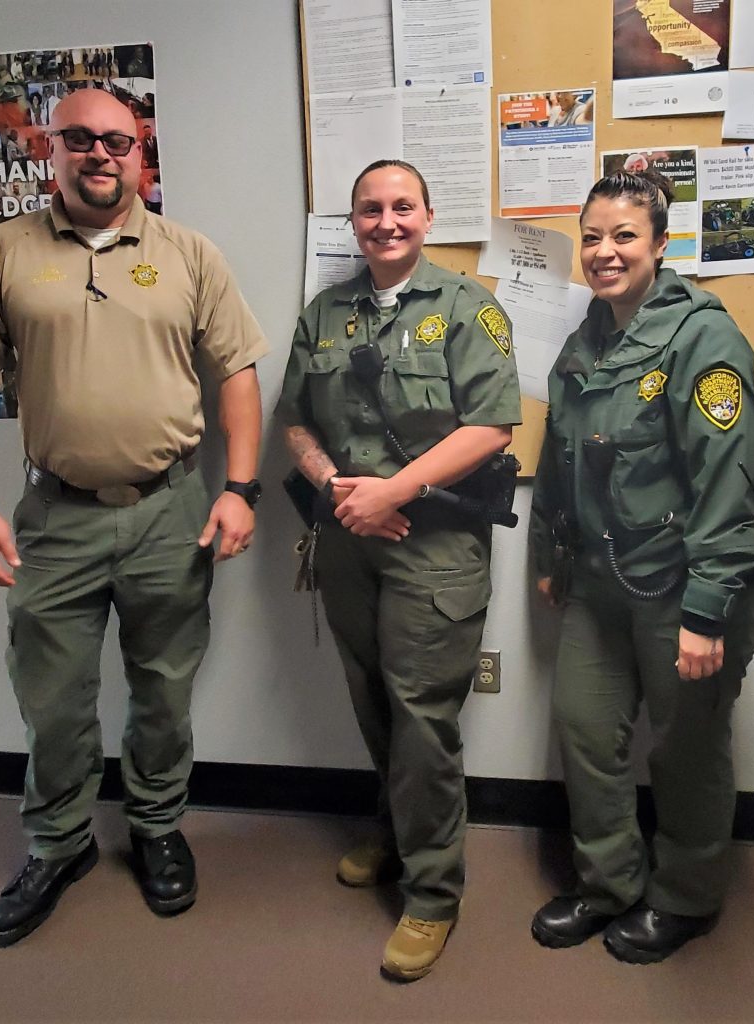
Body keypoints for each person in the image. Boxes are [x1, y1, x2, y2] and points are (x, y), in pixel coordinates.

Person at [0, 89, 268, 948]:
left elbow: (237, 373)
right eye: (80, 138)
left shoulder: (189, 254)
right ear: (53, 151)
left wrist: (242, 489)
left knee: (164, 688)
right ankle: (58, 843)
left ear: (141, 155)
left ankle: (156, 827)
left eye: (119, 140)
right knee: (52, 698)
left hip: (169, 510)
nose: (100, 155)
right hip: (55, 516)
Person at [277, 159, 521, 981]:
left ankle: (433, 893)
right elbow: (296, 424)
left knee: (423, 716)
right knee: (372, 696)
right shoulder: (325, 313)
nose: (387, 221)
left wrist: (394, 491)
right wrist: (333, 487)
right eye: (370, 209)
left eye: (402, 207)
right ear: (353, 221)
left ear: (427, 215)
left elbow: (494, 425)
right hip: (349, 536)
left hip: (434, 545)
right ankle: (394, 827)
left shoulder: (466, 308)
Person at [528, 170, 754, 964]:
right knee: (585, 730)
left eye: (624, 236)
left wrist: (706, 612)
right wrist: (552, 556)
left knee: (685, 748)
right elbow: (559, 461)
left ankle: (686, 898)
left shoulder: (705, 337)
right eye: (593, 236)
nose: (605, 251)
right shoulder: (584, 340)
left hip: (683, 589)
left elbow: (728, 485)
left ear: (661, 246)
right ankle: (608, 883)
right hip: (600, 583)